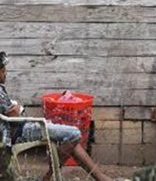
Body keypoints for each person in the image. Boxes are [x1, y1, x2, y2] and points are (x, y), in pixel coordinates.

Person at [0, 52, 112, 181]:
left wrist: (15, 108)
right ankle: (49, 175)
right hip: (19, 131)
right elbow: (12, 114)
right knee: (74, 134)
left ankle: (101, 178)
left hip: (18, 127)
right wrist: (19, 109)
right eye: (3, 71)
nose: (6, 74)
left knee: (71, 140)